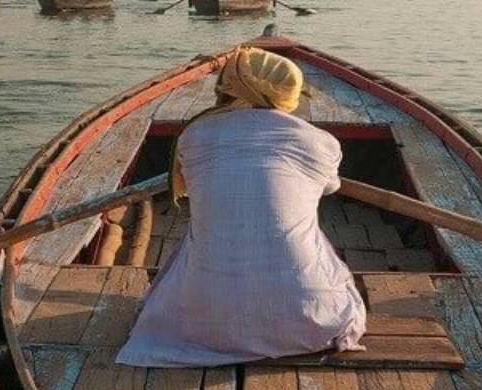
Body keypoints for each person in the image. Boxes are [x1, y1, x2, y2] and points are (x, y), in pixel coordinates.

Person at [115, 46, 367, 368]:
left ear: (229, 88)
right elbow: (330, 186)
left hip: (204, 323)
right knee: (313, 241)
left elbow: (193, 189)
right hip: (310, 322)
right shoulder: (323, 143)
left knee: (193, 240)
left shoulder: (194, 135)